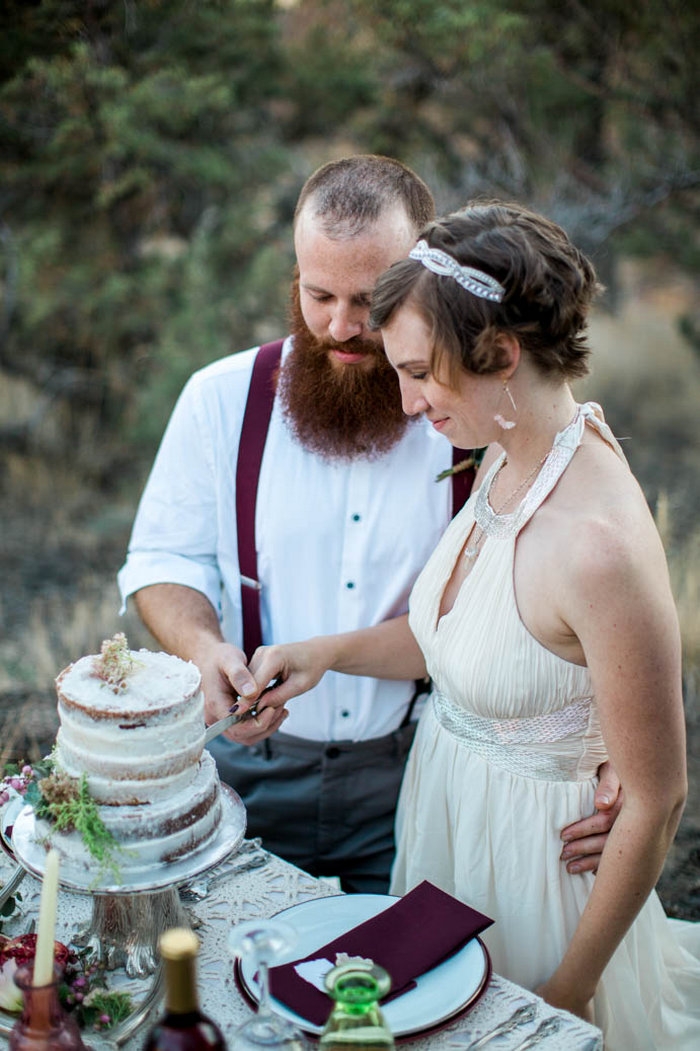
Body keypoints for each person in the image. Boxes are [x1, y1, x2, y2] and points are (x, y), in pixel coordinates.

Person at [244, 201, 700, 1046]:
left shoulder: (594, 541)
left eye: (419, 372)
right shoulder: (507, 448)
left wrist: (567, 986)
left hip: (538, 886)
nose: (408, 403)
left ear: (499, 353)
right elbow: (472, 642)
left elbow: (658, 793)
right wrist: (326, 653)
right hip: (451, 840)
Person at [118, 157, 619, 894]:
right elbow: (163, 559)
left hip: (423, 773)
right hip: (242, 777)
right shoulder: (219, 400)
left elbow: (562, 601)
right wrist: (202, 649)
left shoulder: (475, 416)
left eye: (370, 298)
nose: (343, 326)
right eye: (317, 293)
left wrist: (597, 751)